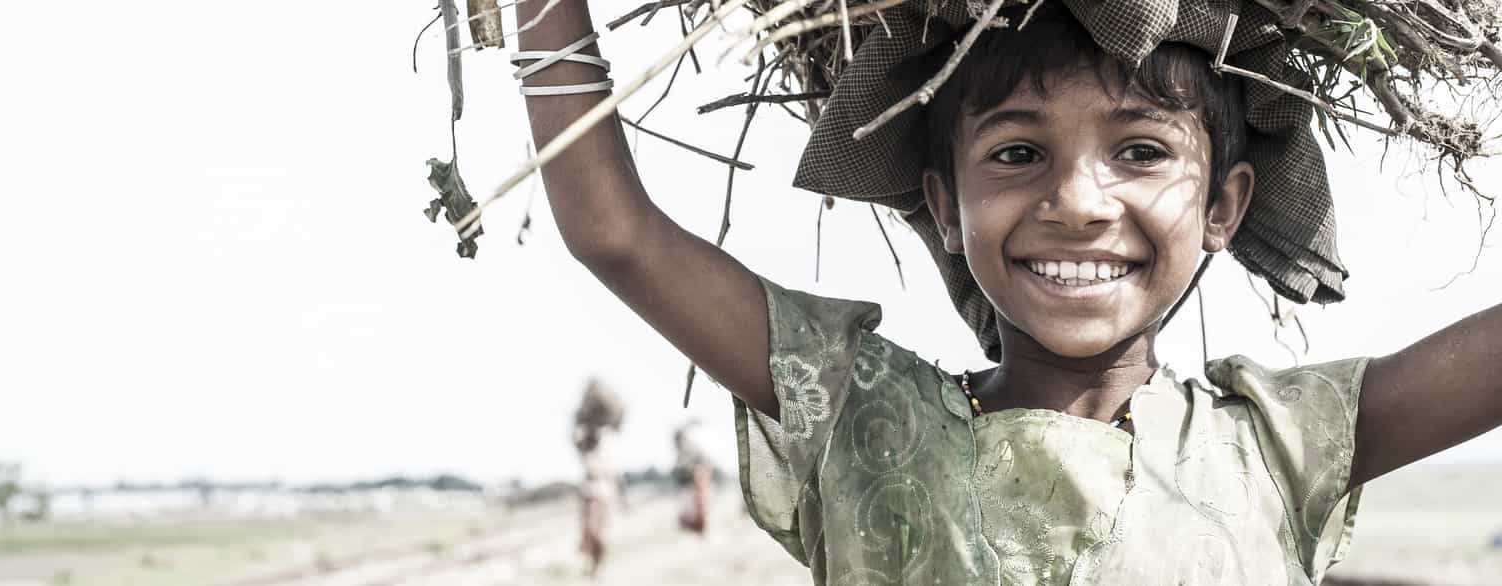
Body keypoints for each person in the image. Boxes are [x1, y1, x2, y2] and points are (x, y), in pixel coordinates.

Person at [503, 1, 1502, 584]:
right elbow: (614, 233)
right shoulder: (853, 411)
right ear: (942, 203)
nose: (1075, 201)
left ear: (1223, 206)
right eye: (1017, 153)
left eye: (1140, 152)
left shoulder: (1274, 451)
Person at [572, 379, 622, 579]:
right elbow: (577, 441)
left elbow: (615, 468)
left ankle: (598, 567)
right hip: (589, 485)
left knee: (600, 532)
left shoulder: (608, 435)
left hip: (605, 487)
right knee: (589, 531)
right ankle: (593, 566)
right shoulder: (584, 435)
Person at [673, 421, 712, 535]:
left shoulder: (691, 450)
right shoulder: (684, 452)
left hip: (696, 484)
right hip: (690, 486)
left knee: (698, 509)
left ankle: (700, 531)